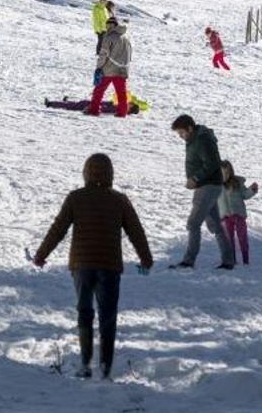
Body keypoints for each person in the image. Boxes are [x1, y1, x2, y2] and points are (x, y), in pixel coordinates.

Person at [31, 153, 154, 382]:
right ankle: (105, 368)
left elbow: (58, 229)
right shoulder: (119, 200)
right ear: (110, 174)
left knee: (84, 313)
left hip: (82, 265)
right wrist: (146, 259)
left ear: (86, 172)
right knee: (108, 316)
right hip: (109, 266)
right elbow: (136, 232)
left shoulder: (75, 198)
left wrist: (41, 255)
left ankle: (85, 364)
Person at [169, 114, 237, 269]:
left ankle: (188, 261)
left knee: (193, 223)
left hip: (207, 186)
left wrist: (195, 179)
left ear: (190, 128)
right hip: (207, 186)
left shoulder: (202, 140)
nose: (180, 136)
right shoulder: (195, 139)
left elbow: (212, 164)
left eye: (182, 133)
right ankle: (228, 261)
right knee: (215, 226)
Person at [87, 18, 132, 117]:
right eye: (107, 24)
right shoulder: (125, 38)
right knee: (121, 92)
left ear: (114, 25)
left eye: (109, 25)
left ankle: (94, 110)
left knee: (99, 90)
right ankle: (122, 112)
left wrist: (99, 67)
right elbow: (129, 56)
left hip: (108, 69)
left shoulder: (109, 37)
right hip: (122, 70)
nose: (107, 27)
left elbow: (103, 54)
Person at [217, 160, 259, 265]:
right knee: (229, 240)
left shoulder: (237, 182)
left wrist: (252, 190)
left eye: (227, 172)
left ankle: (246, 260)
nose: (225, 174)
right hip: (225, 216)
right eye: (223, 172)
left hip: (238, 214)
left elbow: (245, 195)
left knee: (242, 238)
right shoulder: (216, 185)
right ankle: (233, 260)